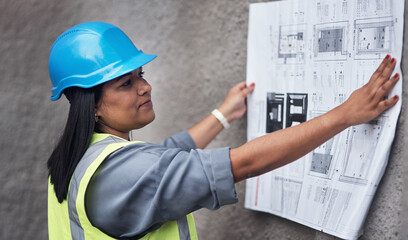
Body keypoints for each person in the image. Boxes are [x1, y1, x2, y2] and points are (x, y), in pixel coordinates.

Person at [47, 21, 400, 240]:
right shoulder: (121, 173)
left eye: (141, 75)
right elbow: (240, 164)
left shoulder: (78, 160)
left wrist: (223, 114)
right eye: (126, 83)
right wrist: (343, 115)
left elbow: (166, 158)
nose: (145, 87)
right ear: (90, 104)